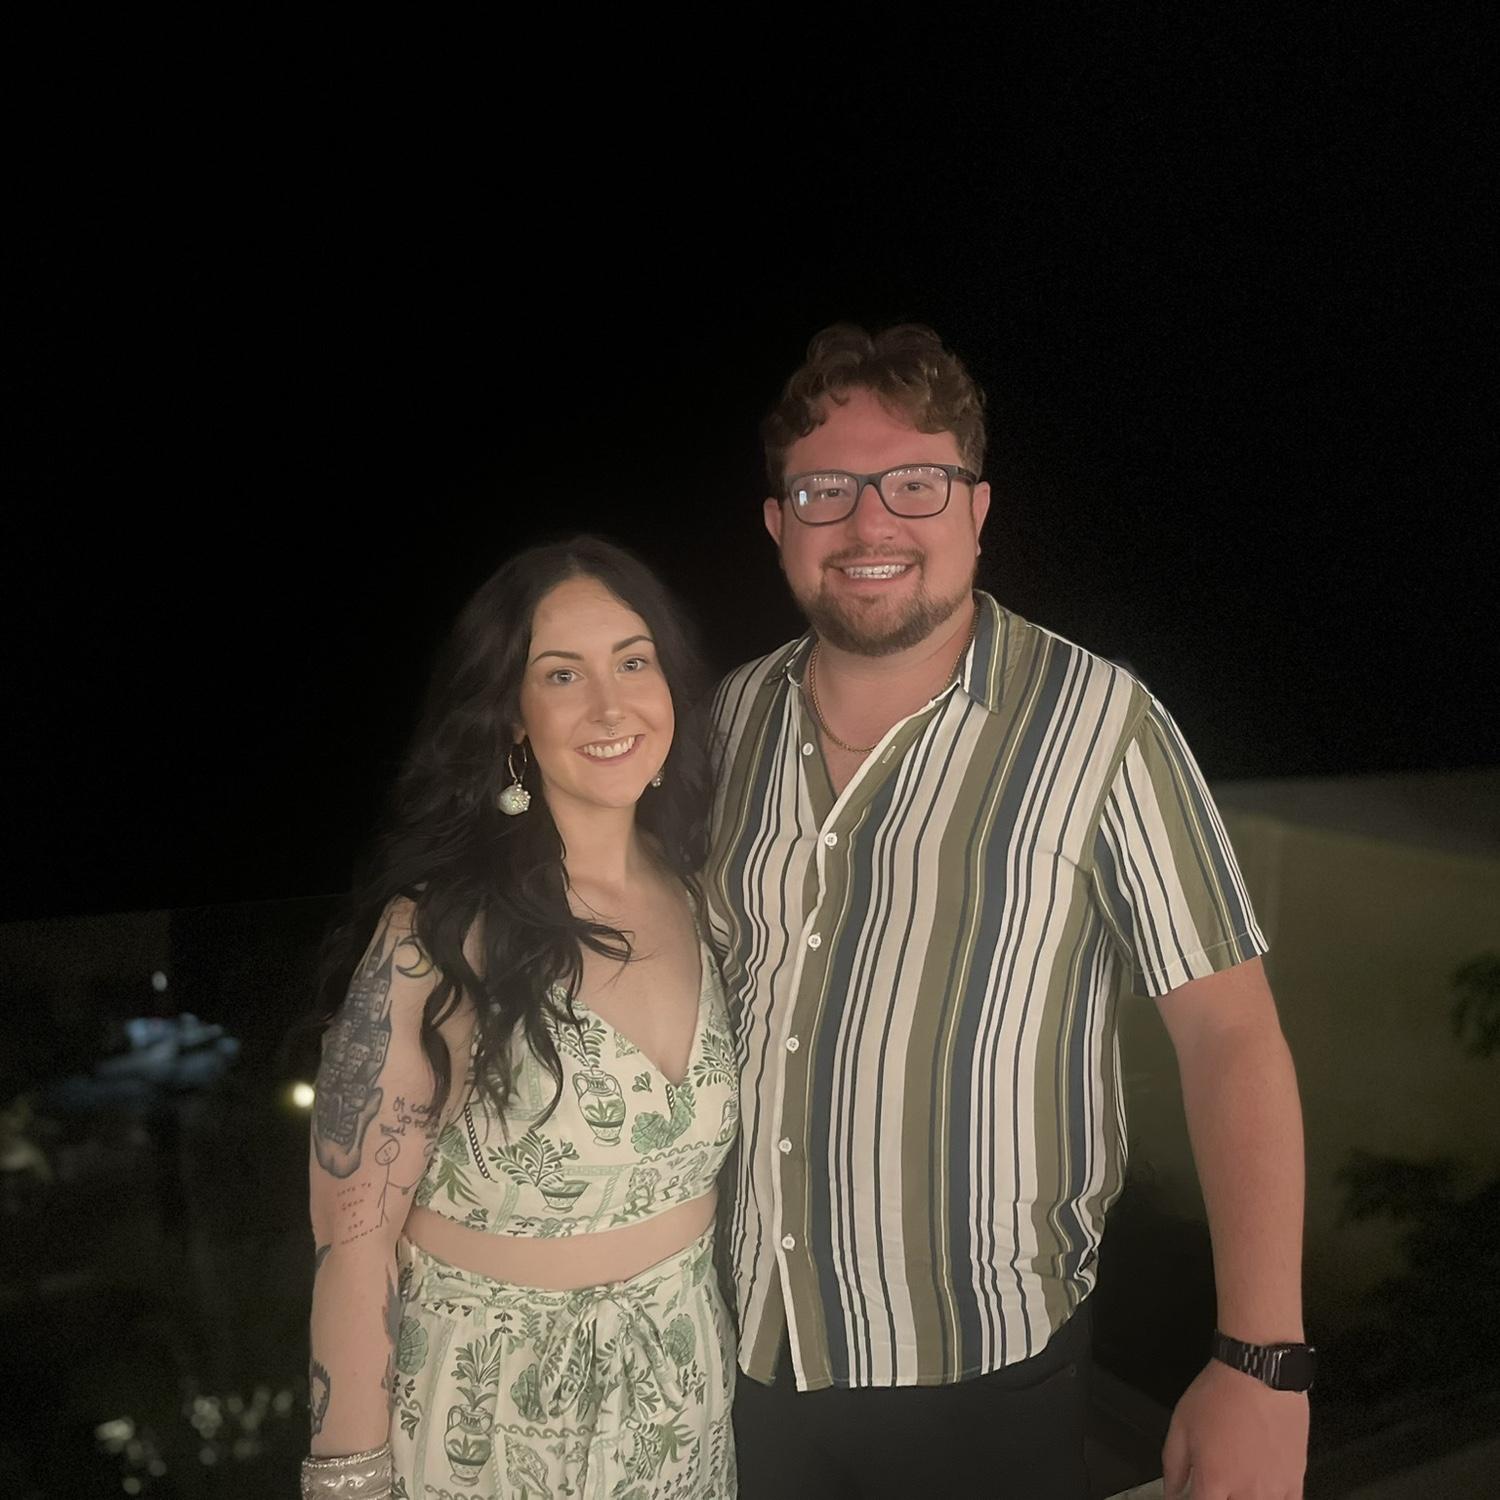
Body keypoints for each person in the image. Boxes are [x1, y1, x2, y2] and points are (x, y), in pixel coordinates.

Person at [705, 325, 1312, 1499]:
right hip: (737, 1357)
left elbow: (1230, 1037)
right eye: (827, 491)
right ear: (779, 523)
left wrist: (1262, 1362)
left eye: (915, 484)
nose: (870, 524)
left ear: (976, 510)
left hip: (984, 1378)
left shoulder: (1102, 725)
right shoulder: (728, 721)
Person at [305, 538, 738, 1500]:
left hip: (683, 1402)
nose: (611, 707)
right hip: (488, 1418)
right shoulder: (438, 935)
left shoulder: (703, 895)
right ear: (510, 711)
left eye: (634, 662)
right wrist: (348, 1482)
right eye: (562, 675)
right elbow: (353, 1240)